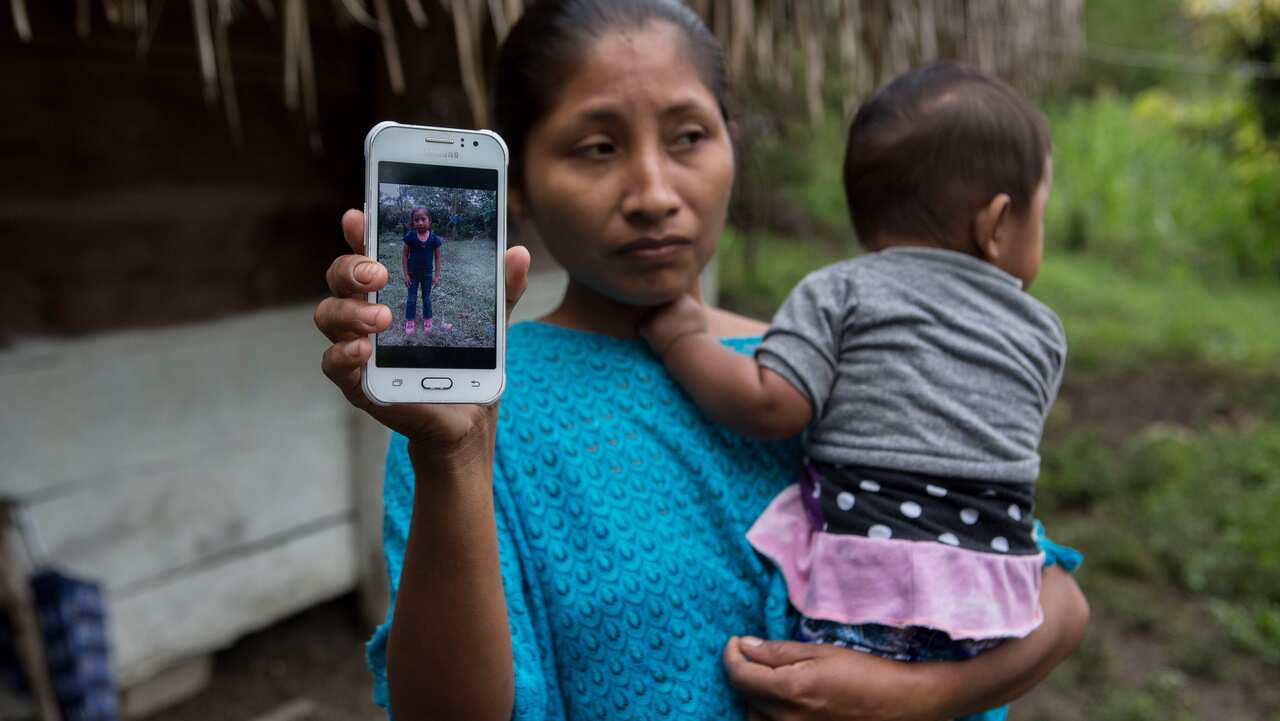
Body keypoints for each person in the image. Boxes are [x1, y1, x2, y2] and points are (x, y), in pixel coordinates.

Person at [313, 2, 1089, 720]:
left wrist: (910, 695)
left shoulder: (839, 360)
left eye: (688, 136)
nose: (653, 191)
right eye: (597, 147)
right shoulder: (472, 416)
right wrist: (454, 460)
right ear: (519, 186)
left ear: (730, 146)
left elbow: (1049, 597)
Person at [639, 63, 1069, 721]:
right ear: (998, 223)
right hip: (994, 602)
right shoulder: (1043, 334)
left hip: (869, 584)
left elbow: (771, 404)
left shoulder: (840, 290)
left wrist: (682, 341)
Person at [400, 206, 443, 334]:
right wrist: (406, 274)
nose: (419, 222)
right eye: (416, 220)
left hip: (427, 275)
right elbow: (404, 255)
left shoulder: (434, 239)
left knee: (426, 298)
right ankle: (410, 320)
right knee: (411, 298)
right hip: (412, 275)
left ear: (429, 221)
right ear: (413, 222)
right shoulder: (410, 236)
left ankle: (428, 318)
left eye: (423, 219)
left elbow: (438, 257)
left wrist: (437, 276)